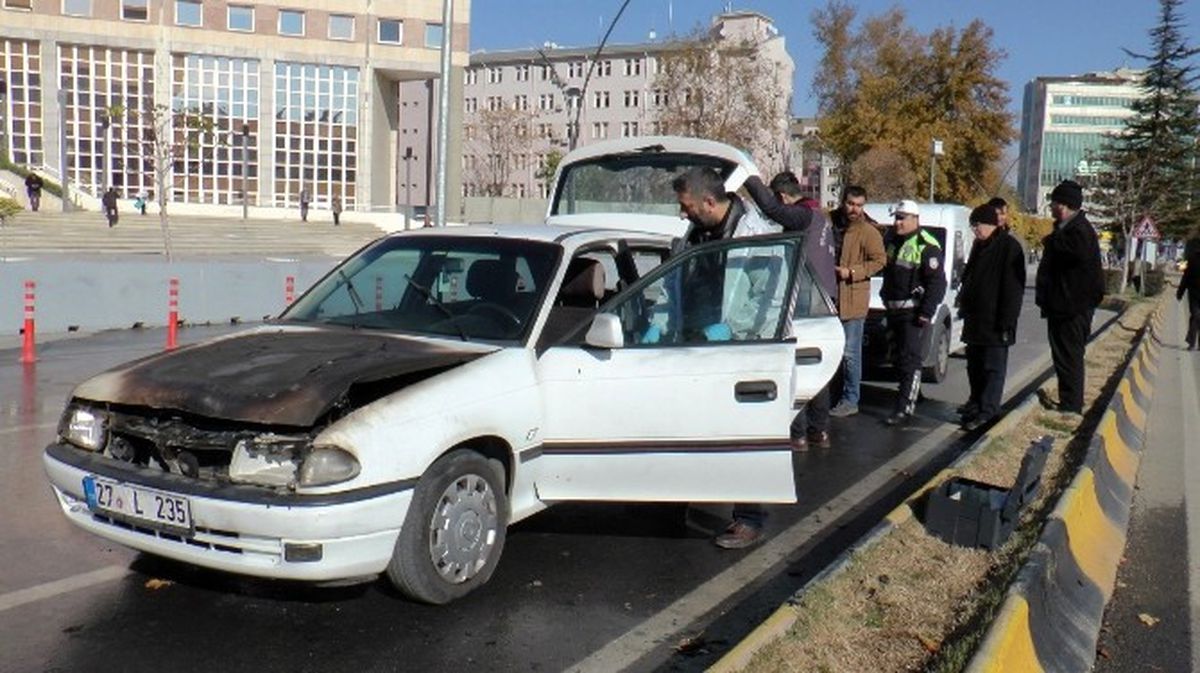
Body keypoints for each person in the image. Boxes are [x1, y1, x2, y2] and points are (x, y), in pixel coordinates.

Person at [670, 167, 779, 550]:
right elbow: (678, 281)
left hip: (738, 349)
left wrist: (732, 329)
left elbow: (772, 298)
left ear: (709, 202)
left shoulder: (757, 235)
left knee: (740, 436)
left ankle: (749, 517)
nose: (682, 213)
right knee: (685, 428)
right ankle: (671, 502)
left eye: (686, 206)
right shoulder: (695, 231)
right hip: (692, 345)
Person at [743, 172, 836, 450]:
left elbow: (771, 209)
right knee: (818, 367)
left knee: (794, 364)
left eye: (779, 201)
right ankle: (819, 430)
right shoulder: (820, 216)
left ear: (784, 196)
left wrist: (749, 179)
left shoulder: (802, 215)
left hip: (804, 297)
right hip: (825, 296)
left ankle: (797, 433)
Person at [1035, 179, 1104, 418]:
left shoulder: (1078, 232)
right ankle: (1069, 400)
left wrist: (1051, 242)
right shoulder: (1068, 230)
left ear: (1063, 205)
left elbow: (1072, 258)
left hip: (1071, 309)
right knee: (1064, 355)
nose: (1052, 208)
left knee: (1069, 356)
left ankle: (1071, 405)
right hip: (1064, 306)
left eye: (1054, 203)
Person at [956, 204, 1026, 430]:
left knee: (992, 369)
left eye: (977, 226)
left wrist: (1007, 321)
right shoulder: (979, 245)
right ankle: (975, 405)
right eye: (972, 226)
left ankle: (988, 411)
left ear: (990, 224)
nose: (975, 230)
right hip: (975, 319)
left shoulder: (1009, 247)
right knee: (974, 367)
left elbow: (1013, 288)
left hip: (996, 322)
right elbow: (969, 277)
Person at [880, 199, 946, 426]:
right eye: (896, 217)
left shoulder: (926, 245)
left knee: (910, 361)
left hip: (912, 314)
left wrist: (926, 312)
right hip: (892, 312)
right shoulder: (892, 240)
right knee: (898, 360)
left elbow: (937, 283)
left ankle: (904, 409)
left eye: (902, 218)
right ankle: (912, 394)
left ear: (915, 219)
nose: (897, 222)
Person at [828, 186, 886, 417]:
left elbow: (880, 261)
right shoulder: (829, 222)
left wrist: (852, 272)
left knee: (850, 354)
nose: (855, 209)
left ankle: (851, 399)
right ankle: (831, 395)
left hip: (853, 299)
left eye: (860, 205)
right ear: (843, 202)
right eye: (851, 203)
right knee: (830, 350)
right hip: (828, 297)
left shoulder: (868, 231)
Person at [1176, 243, 1200, 350]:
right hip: (1194, 293)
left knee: (1196, 317)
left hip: (1194, 293)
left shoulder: (1191, 258)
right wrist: (1180, 292)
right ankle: (1191, 343)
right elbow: (1185, 276)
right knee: (1195, 316)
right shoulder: (1192, 259)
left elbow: (1185, 277)